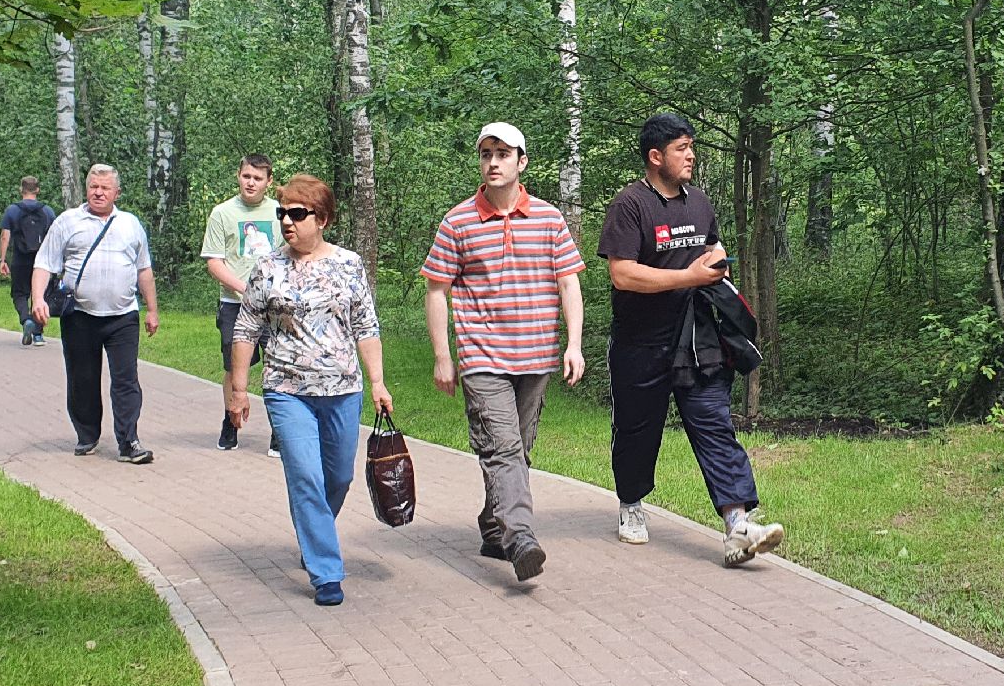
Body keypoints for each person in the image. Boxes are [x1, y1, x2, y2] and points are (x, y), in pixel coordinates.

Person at [599, 113, 784, 567]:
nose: (691, 155)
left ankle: (738, 527)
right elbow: (622, 274)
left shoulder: (699, 203)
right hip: (641, 342)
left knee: (715, 427)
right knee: (637, 432)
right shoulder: (630, 205)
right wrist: (687, 276)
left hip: (697, 340)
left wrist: (716, 260)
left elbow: (712, 247)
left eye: (691, 147)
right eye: (682, 148)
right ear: (655, 156)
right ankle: (631, 505)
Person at [422, 122, 585, 583]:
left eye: (502, 154)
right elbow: (437, 290)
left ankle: (494, 528)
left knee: (517, 450)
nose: (492, 162)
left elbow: (569, 282)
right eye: (486, 154)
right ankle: (521, 539)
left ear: (522, 161)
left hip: (536, 354)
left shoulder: (550, 220)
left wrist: (573, 345)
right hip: (482, 355)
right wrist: (443, 355)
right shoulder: (458, 221)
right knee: (504, 447)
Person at [224, 174, 392, 607]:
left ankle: (312, 533)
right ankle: (326, 572)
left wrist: (377, 381)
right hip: (287, 389)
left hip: (342, 389)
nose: (287, 222)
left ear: (323, 219)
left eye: (297, 214)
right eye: (282, 213)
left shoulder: (349, 264)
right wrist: (239, 390)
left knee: (338, 477)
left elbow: (366, 325)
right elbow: (246, 328)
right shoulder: (268, 268)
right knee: (305, 476)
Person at [32, 165, 158, 465]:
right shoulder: (67, 222)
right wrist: (38, 298)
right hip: (80, 316)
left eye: (105, 188)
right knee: (82, 378)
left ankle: (129, 442)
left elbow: (144, 269)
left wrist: (152, 309)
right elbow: (44, 263)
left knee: (126, 380)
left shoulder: (130, 224)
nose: (98, 192)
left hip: (123, 316)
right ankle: (87, 434)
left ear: (117, 193)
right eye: (93, 187)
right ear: (85, 189)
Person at [200, 154, 281, 450]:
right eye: (247, 176)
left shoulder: (279, 211)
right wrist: (244, 289)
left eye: (258, 178)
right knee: (234, 368)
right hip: (235, 303)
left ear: (268, 182)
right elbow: (214, 262)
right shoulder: (222, 213)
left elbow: (291, 253)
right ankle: (230, 421)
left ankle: (279, 430)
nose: (251, 183)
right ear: (239, 176)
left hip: (275, 305)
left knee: (278, 365)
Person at [0, 176, 57, 347]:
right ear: (37, 190)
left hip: (20, 258)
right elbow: (54, 237)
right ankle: (38, 335)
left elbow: (5, 236)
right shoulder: (48, 211)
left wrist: (2, 260)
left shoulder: (12, 210)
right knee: (40, 295)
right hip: (42, 260)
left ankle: (26, 321)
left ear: (21, 189)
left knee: (19, 293)